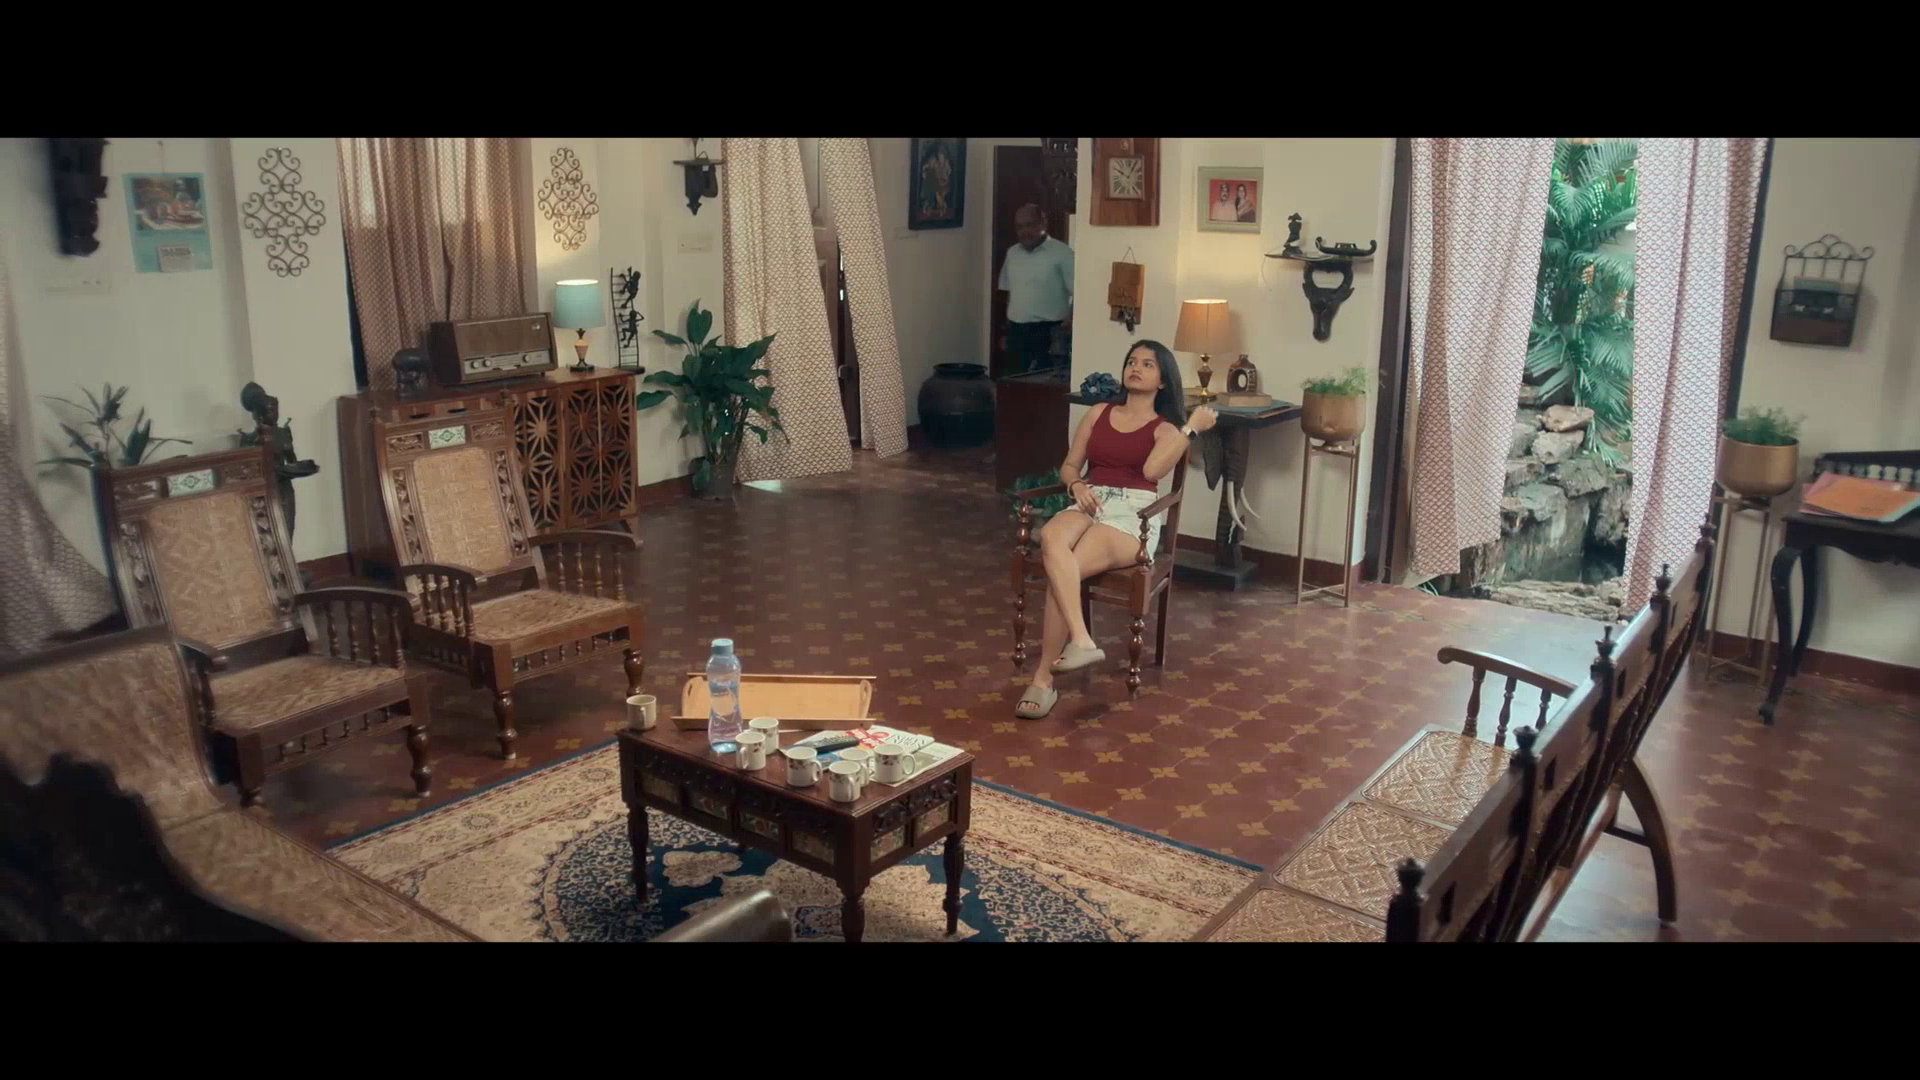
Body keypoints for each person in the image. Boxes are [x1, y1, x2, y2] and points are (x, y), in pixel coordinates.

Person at [1015, 340, 1218, 720]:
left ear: (1163, 381)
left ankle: (1042, 679)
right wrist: (1077, 485)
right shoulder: (1098, 413)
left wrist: (1191, 428)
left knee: (1065, 569)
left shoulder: (1165, 429)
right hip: (1090, 498)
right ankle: (1082, 639)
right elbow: (1070, 466)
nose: (1136, 368)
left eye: (1148, 364)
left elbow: (1153, 472)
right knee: (1052, 537)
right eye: (1131, 361)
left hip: (1132, 513)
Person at [997, 204, 1073, 375]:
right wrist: (1005, 331)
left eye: (1029, 225)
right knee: (1013, 382)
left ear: (1043, 223)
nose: (1024, 231)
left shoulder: (1063, 253)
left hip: (1050, 334)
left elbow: (1080, 293)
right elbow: (1007, 292)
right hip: (1017, 333)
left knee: (1045, 384)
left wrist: (1071, 322)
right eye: (1019, 227)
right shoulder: (1012, 253)